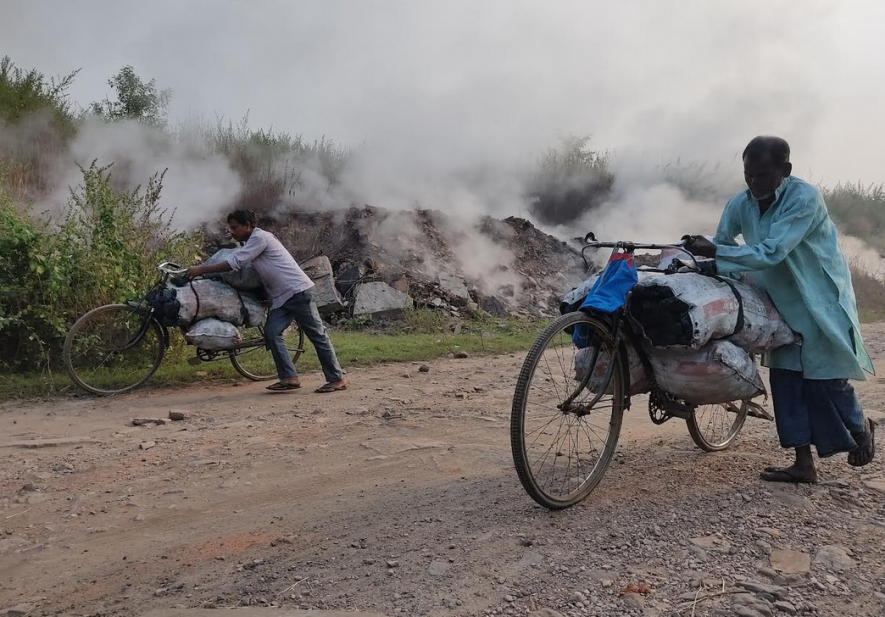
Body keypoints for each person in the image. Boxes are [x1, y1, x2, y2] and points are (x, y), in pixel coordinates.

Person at [683, 136, 876, 483]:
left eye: (762, 175)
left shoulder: (803, 198)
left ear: (785, 171)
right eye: (748, 175)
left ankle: (860, 428)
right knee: (786, 380)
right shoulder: (740, 203)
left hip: (817, 297)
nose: (754, 183)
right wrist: (699, 260)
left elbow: (773, 250)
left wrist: (717, 254)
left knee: (825, 380)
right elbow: (723, 242)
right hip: (775, 301)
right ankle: (803, 464)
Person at [187, 210, 347, 394]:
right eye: (229, 228)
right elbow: (263, 273)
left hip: (298, 292)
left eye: (234, 227)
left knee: (317, 335)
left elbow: (235, 262)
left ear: (247, 225)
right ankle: (289, 377)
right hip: (281, 298)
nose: (231, 232)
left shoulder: (260, 237)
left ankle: (337, 379)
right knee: (271, 333)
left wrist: (202, 270)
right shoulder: (250, 242)